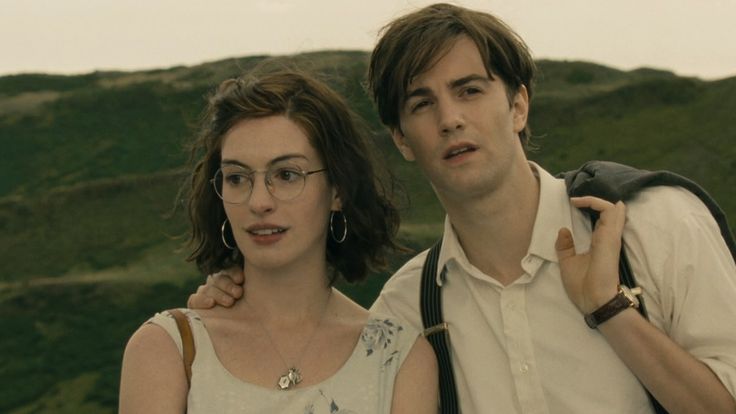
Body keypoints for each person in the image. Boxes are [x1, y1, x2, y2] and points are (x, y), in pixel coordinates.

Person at [187, 4, 736, 413]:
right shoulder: (406, 310)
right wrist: (237, 309)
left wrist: (609, 310)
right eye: (421, 103)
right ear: (402, 139)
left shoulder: (658, 224)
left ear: (518, 104)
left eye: (469, 90)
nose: (449, 118)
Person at [118, 70, 438, 413]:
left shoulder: (399, 360)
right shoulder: (167, 349)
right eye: (237, 177)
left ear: (338, 189)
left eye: (286, 175)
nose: (259, 202)